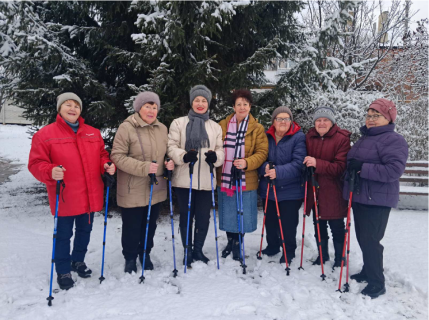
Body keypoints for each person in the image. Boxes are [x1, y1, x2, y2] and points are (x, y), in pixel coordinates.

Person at [28, 92, 115, 290]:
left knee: (85, 230)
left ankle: (78, 260)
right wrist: (50, 171)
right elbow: (35, 163)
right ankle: (63, 269)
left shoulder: (93, 132)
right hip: (65, 196)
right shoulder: (45, 135)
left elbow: (102, 154)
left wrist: (107, 164)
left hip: (90, 194)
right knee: (63, 235)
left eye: (76, 105)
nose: (72, 108)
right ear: (60, 108)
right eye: (68, 104)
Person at [344, 98, 408, 299]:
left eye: (376, 116)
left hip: (377, 199)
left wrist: (362, 167)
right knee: (363, 238)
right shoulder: (366, 138)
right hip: (361, 197)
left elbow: (393, 171)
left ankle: (377, 282)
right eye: (369, 115)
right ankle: (367, 270)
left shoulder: (393, 140)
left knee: (371, 240)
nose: (371, 119)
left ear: (388, 118)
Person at [111, 91, 174, 273]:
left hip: (155, 186)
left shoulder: (162, 128)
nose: (151, 110)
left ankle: (144, 253)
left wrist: (169, 162)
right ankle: (130, 257)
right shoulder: (127, 127)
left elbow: (165, 153)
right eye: (147, 106)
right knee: (132, 226)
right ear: (139, 108)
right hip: (133, 187)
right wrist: (143, 167)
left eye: (154, 107)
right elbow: (117, 156)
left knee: (150, 224)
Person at [167, 85, 224, 267]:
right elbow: (171, 146)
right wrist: (183, 156)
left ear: (208, 103)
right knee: (186, 216)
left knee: (203, 217)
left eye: (204, 100)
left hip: (206, 180)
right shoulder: (178, 123)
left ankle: (198, 250)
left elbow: (220, 150)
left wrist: (216, 158)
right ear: (192, 102)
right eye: (197, 100)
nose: (200, 104)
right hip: (185, 178)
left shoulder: (215, 127)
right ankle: (187, 250)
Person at [217, 89, 268, 261]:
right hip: (225, 178)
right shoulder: (222, 125)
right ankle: (230, 241)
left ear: (250, 106)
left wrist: (247, 163)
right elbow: (216, 147)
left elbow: (262, 152)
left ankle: (239, 243)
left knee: (243, 212)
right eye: (238, 104)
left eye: (245, 104)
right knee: (229, 212)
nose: (242, 107)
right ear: (233, 106)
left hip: (247, 179)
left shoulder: (257, 128)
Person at [303, 106, 351, 268]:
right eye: (318, 120)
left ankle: (340, 258)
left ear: (332, 122)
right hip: (314, 188)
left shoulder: (341, 139)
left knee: (336, 226)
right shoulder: (309, 138)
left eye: (325, 120)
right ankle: (322, 256)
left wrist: (317, 163)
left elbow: (340, 167)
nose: (321, 123)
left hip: (333, 190)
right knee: (318, 224)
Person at [258, 106, 306, 264]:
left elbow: (299, 163)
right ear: (273, 121)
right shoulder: (266, 136)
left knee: (288, 223)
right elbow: (259, 156)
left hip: (290, 190)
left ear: (291, 121)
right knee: (270, 221)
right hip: (269, 188)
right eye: (279, 118)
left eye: (286, 118)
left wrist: (278, 171)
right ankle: (272, 246)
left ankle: (288, 250)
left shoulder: (298, 138)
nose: (283, 121)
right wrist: (263, 166)